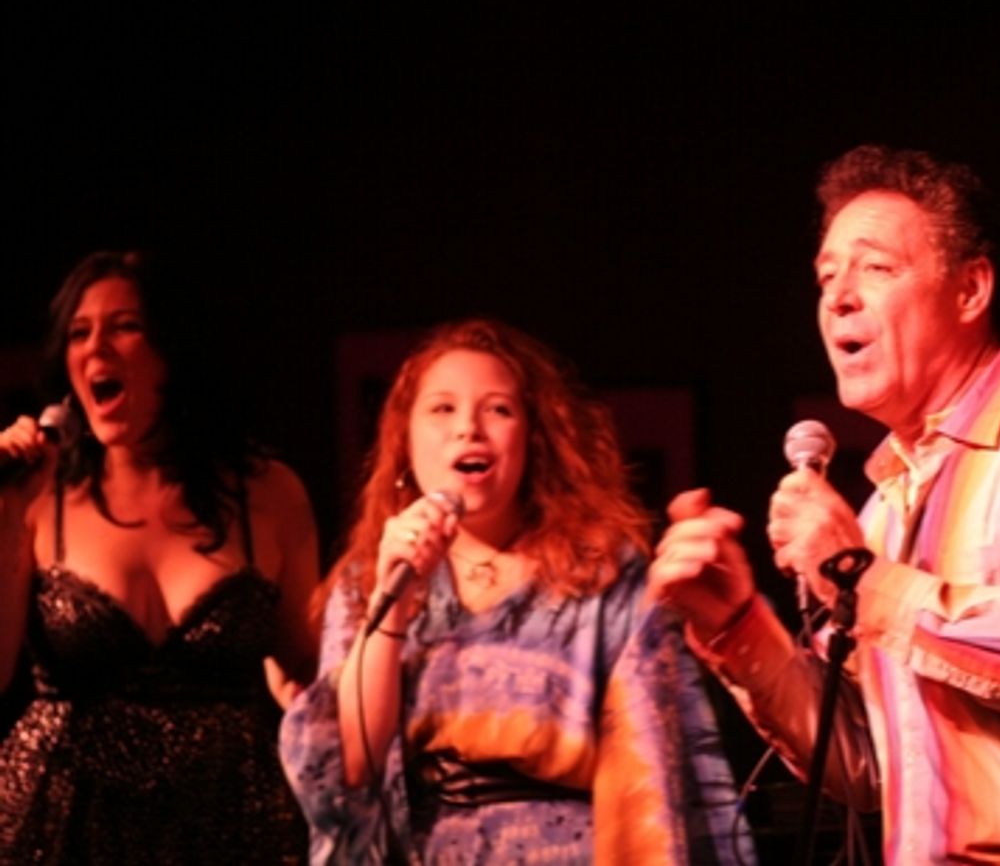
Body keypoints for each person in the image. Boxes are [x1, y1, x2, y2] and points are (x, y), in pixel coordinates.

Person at [649, 144, 1000, 864]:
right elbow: (866, 768)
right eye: (826, 276)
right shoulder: (884, 506)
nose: (838, 297)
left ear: (970, 289)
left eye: (876, 268)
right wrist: (737, 625)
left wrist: (862, 581)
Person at [279, 318, 752, 865]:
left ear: (533, 440)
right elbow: (351, 764)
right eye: (442, 408)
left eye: (498, 409)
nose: (468, 429)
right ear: (404, 442)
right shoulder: (370, 582)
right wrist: (393, 603)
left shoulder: (602, 573)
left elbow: (658, 765)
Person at [0, 250, 320, 864]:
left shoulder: (269, 493)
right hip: (63, 829)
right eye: (79, 333)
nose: (96, 349)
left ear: (175, 350)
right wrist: (7, 510)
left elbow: (305, 666)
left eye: (125, 327)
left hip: (229, 828)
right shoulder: (39, 496)